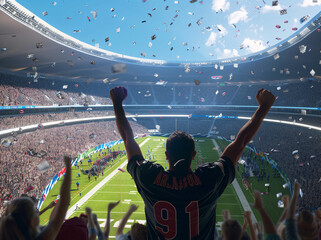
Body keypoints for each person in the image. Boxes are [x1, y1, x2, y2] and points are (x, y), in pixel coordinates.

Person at [110, 86, 275, 239]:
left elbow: (127, 139)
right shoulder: (208, 179)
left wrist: (117, 103)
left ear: (166, 155)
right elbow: (240, 142)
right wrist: (263, 108)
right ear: (194, 155)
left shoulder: (148, 176)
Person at [0, 156, 72, 240]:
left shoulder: (7, 234)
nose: (37, 211)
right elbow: (64, 202)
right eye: (35, 209)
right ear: (31, 222)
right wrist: (68, 166)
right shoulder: (42, 237)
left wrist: (48, 207)